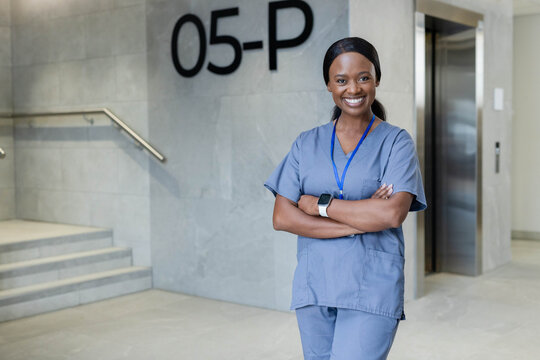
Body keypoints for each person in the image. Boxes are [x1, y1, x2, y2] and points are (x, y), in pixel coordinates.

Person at [264, 37, 427, 360]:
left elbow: (392, 215)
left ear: (376, 79)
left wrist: (319, 207)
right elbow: (282, 217)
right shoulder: (306, 143)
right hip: (315, 285)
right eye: (342, 80)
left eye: (363, 77)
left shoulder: (396, 143)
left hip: (372, 286)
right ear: (329, 85)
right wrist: (362, 219)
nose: (353, 89)